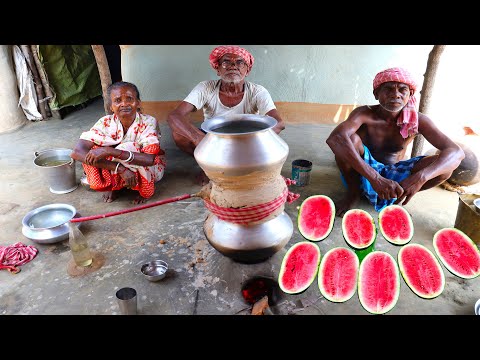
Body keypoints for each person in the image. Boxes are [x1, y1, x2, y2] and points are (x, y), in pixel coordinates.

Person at [326, 67, 464, 217]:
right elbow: (335, 139)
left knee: (445, 167)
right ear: (376, 94)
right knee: (349, 140)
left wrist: (420, 178)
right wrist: (375, 178)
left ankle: (396, 197)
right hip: (362, 171)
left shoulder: (418, 121)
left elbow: (456, 152)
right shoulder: (364, 114)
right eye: (388, 89)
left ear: (410, 94)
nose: (396, 95)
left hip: (394, 171)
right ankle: (353, 193)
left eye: (402, 90)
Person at [167, 45, 285, 185]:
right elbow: (174, 116)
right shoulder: (206, 87)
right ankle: (209, 168)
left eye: (240, 62)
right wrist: (199, 139)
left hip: (246, 138)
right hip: (213, 138)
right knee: (179, 134)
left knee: (269, 142)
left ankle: (243, 166)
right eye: (226, 62)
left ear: (247, 70)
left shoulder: (257, 91)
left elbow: (278, 123)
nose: (233, 66)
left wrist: (253, 141)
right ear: (218, 69)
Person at [71, 81, 166, 204]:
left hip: (149, 168)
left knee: (128, 147)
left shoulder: (148, 122)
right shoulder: (105, 122)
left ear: (138, 103)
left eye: (129, 99)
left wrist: (109, 151)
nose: (124, 104)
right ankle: (114, 186)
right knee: (93, 150)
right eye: (118, 100)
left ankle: (144, 188)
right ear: (111, 106)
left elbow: (150, 159)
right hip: (119, 167)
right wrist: (120, 169)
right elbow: (77, 152)